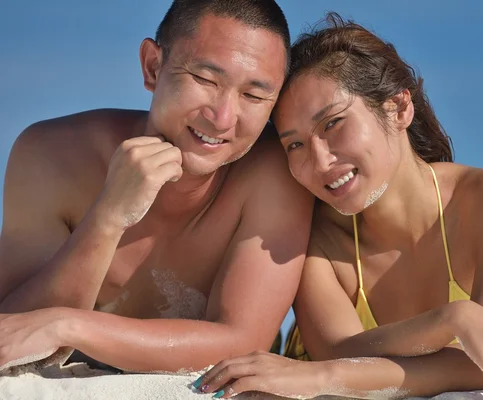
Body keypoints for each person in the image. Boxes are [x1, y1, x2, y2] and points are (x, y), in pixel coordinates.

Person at [196, 13, 483, 400]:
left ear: (399, 109)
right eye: (295, 145)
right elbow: (337, 352)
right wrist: (454, 319)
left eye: (333, 123)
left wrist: (325, 376)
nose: (319, 161)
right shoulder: (317, 236)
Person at [0, 0, 313, 373]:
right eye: (205, 79)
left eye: (253, 96)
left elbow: (244, 343)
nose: (222, 118)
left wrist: (67, 326)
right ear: (152, 66)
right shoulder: (50, 156)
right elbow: (12, 331)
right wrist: (108, 218)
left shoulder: (274, 174)